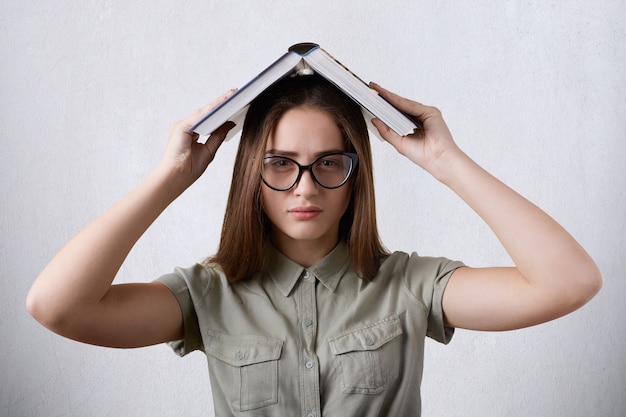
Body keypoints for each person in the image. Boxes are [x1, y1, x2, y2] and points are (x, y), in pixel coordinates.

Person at [27, 73, 602, 416]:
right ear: (253, 172)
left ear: (357, 176)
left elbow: (568, 282)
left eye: (330, 163)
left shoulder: (408, 285)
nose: (305, 187)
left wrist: (445, 161)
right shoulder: (208, 294)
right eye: (280, 164)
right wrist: (170, 178)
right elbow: (57, 307)